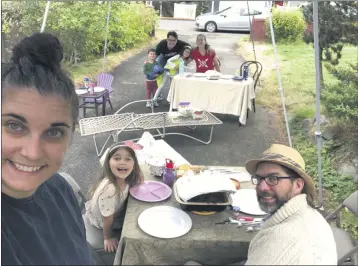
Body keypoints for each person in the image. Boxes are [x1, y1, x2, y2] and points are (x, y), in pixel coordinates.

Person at [1, 32, 93, 264]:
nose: (32, 153)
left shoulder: (61, 189)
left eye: (54, 132)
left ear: (71, 135)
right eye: (14, 126)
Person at [244, 144, 337, 265]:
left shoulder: (278, 245)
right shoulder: (308, 213)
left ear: (297, 185)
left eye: (273, 178)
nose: (262, 187)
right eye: (259, 178)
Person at [85, 144, 144, 253]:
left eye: (128, 159)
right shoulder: (109, 190)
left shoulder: (123, 177)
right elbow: (108, 219)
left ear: (134, 164)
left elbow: (136, 181)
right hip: (103, 222)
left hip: (110, 213)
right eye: (117, 158)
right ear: (108, 162)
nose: (122, 162)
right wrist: (108, 238)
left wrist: (136, 174)